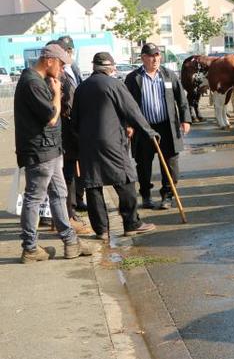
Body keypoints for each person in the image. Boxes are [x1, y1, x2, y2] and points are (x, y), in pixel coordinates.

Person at [14, 42, 92, 263]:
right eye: (60, 64)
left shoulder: (37, 80)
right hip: (41, 150)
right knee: (34, 198)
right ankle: (30, 247)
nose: (61, 70)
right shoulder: (31, 82)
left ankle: (70, 242)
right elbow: (51, 116)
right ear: (49, 61)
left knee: (59, 194)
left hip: (50, 149)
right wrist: (56, 92)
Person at [71, 52, 158, 239]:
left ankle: (101, 230)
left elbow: (75, 120)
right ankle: (131, 223)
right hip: (111, 142)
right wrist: (149, 132)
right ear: (109, 68)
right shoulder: (114, 84)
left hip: (87, 144)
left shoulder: (81, 88)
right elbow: (132, 110)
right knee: (125, 179)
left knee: (93, 186)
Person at [125, 43, 191, 210]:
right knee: (144, 164)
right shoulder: (133, 78)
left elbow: (181, 99)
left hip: (167, 127)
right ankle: (146, 196)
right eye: (150, 56)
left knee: (170, 164)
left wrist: (185, 120)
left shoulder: (168, 75)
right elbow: (126, 104)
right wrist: (128, 125)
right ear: (143, 58)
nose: (155, 59)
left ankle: (167, 196)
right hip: (143, 129)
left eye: (157, 55)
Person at [58, 36, 92, 235]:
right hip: (66, 130)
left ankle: (78, 200)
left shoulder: (74, 69)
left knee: (80, 167)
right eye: (66, 51)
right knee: (67, 173)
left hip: (77, 127)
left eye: (70, 50)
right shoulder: (58, 74)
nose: (69, 54)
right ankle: (68, 211)